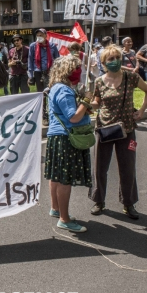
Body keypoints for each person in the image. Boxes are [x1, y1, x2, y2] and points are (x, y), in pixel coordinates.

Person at [89, 45, 147, 219]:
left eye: (117, 58)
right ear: (103, 62)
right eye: (110, 59)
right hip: (104, 128)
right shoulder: (99, 81)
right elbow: (97, 102)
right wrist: (87, 104)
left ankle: (128, 203)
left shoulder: (130, 77)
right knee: (100, 168)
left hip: (127, 129)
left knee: (128, 168)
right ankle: (99, 201)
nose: (115, 61)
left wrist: (141, 111)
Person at [45, 55, 92, 233]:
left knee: (56, 176)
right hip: (66, 137)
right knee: (64, 180)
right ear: (68, 70)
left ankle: (56, 208)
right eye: (76, 68)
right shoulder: (64, 90)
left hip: (57, 137)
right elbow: (73, 117)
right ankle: (64, 219)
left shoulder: (57, 88)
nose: (79, 71)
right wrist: (86, 100)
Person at [28, 28, 59, 125]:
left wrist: (58, 73)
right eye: (38, 35)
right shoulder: (33, 46)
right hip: (38, 73)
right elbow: (30, 61)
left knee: (51, 93)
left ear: (46, 36)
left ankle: (54, 115)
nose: (39, 37)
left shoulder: (52, 46)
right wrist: (30, 75)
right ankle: (44, 116)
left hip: (50, 72)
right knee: (41, 94)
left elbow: (57, 60)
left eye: (41, 35)